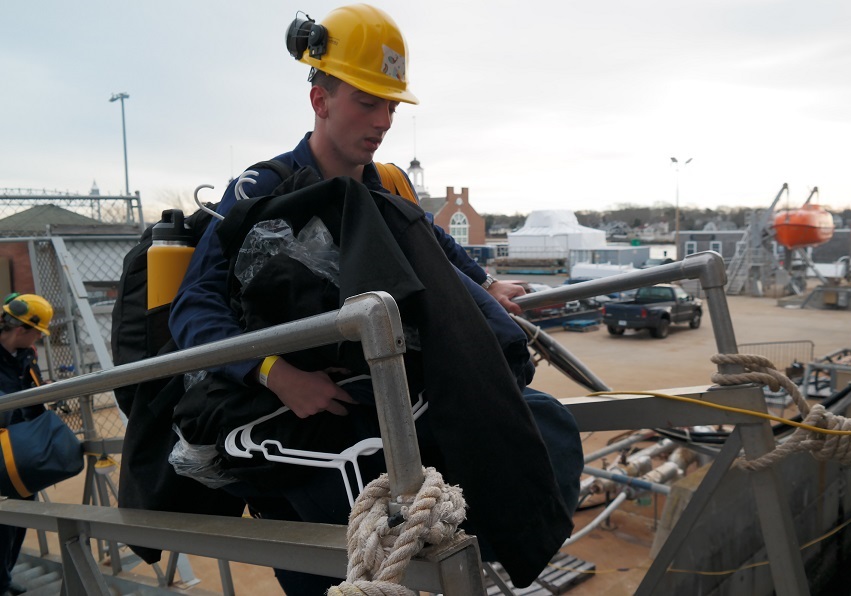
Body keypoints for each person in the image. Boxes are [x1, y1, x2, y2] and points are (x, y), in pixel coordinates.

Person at [169, 5, 580, 593]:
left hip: (390, 408)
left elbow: (436, 248)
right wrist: (273, 370)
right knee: (333, 571)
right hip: (299, 422)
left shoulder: (383, 185)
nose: (384, 119)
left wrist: (487, 288)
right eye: (368, 101)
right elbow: (193, 307)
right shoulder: (262, 192)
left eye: (391, 104)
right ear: (321, 101)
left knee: (539, 426)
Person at [0, 293, 54, 596]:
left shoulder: (26, 356)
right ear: (23, 329)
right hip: (1, 449)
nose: (38, 338)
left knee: (22, 514)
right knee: (3, 520)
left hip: (22, 448)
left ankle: (5, 574)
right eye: (38, 331)